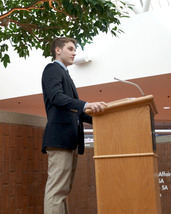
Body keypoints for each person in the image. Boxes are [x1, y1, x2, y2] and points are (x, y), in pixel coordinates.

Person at [41, 37, 106, 214]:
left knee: (62, 191)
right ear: (57, 50)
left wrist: (103, 117)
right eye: (70, 48)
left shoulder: (64, 73)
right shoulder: (52, 69)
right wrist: (86, 104)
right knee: (56, 191)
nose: (74, 52)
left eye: (74, 49)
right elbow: (56, 97)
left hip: (69, 141)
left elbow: (74, 110)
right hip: (60, 138)